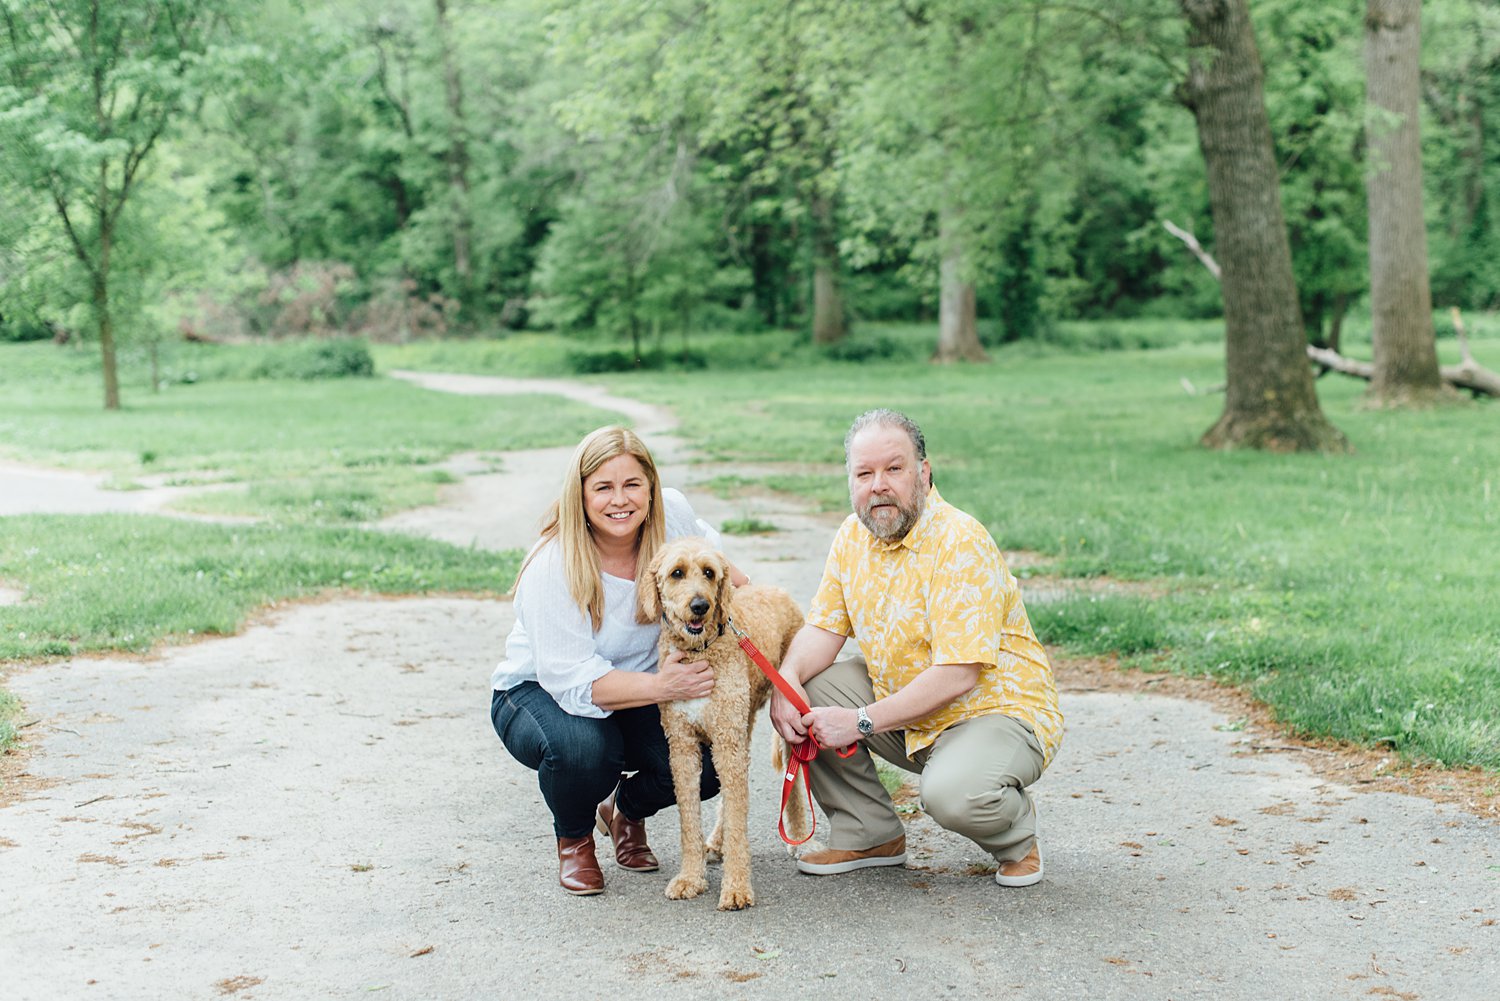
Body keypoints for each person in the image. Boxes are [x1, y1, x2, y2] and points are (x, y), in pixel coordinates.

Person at [769, 409, 1064, 887]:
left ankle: (1016, 838)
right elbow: (823, 629)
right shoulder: (851, 537)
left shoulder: (960, 542)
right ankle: (869, 833)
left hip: (993, 712)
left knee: (953, 794)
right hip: (909, 711)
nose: (878, 485)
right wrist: (786, 684)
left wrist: (860, 720)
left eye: (894, 469)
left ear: (923, 473)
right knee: (809, 688)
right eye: (864, 473)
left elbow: (958, 674)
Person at [490, 425, 747, 896]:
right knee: (587, 750)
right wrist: (665, 688)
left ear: (651, 487)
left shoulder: (674, 519)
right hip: (540, 693)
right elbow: (574, 681)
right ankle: (575, 839)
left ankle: (625, 809)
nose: (620, 500)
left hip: (644, 686)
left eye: (632, 484)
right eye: (603, 487)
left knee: (707, 767)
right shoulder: (554, 564)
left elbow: (731, 582)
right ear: (581, 493)